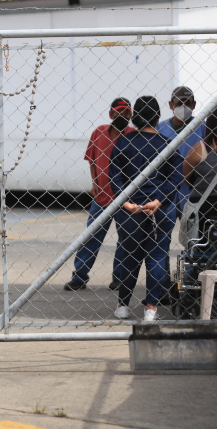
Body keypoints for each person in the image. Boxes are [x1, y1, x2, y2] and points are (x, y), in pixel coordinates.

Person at [109, 96, 182, 321]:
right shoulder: (166, 144)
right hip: (159, 210)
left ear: (135, 116)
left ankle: (123, 306)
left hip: (131, 210)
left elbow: (114, 174)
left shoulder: (123, 142)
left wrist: (126, 201)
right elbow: (177, 175)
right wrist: (158, 200)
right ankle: (151, 309)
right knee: (157, 256)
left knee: (130, 256)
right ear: (157, 116)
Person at [63, 98, 136, 291]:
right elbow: (92, 160)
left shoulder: (133, 135)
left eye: (127, 113)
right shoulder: (98, 133)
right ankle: (79, 277)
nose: (123, 116)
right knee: (91, 237)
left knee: (125, 239)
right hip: (102, 197)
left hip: (124, 198)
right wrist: (95, 183)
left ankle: (119, 277)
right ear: (111, 114)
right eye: (119, 112)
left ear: (131, 115)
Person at [156, 86, 206, 214]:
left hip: (192, 188)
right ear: (171, 105)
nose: (183, 107)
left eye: (187, 103)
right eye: (179, 103)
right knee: (164, 229)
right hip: (166, 188)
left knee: (192, 228)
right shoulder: (160, 129)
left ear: (194, 105)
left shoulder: (202, 127)